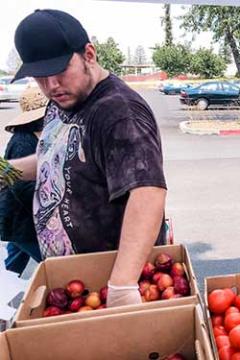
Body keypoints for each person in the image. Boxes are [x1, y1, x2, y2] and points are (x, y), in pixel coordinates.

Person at [3, 9, 167, 307]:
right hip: (75, 284)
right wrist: (7, 171)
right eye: (40, 77)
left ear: (88, 54)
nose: (51, 85)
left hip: (108, 284)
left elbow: (148, 192)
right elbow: (55, 159)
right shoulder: (63, 100)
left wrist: (122, 285)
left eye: (59, 71)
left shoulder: (118, 111)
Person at [0, 87, 46, 275]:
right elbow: (21, 187)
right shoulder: (22, 142)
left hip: (20, 219)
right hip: (21, 218)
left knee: (12, 264)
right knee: (50, 263)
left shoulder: (39, 135)